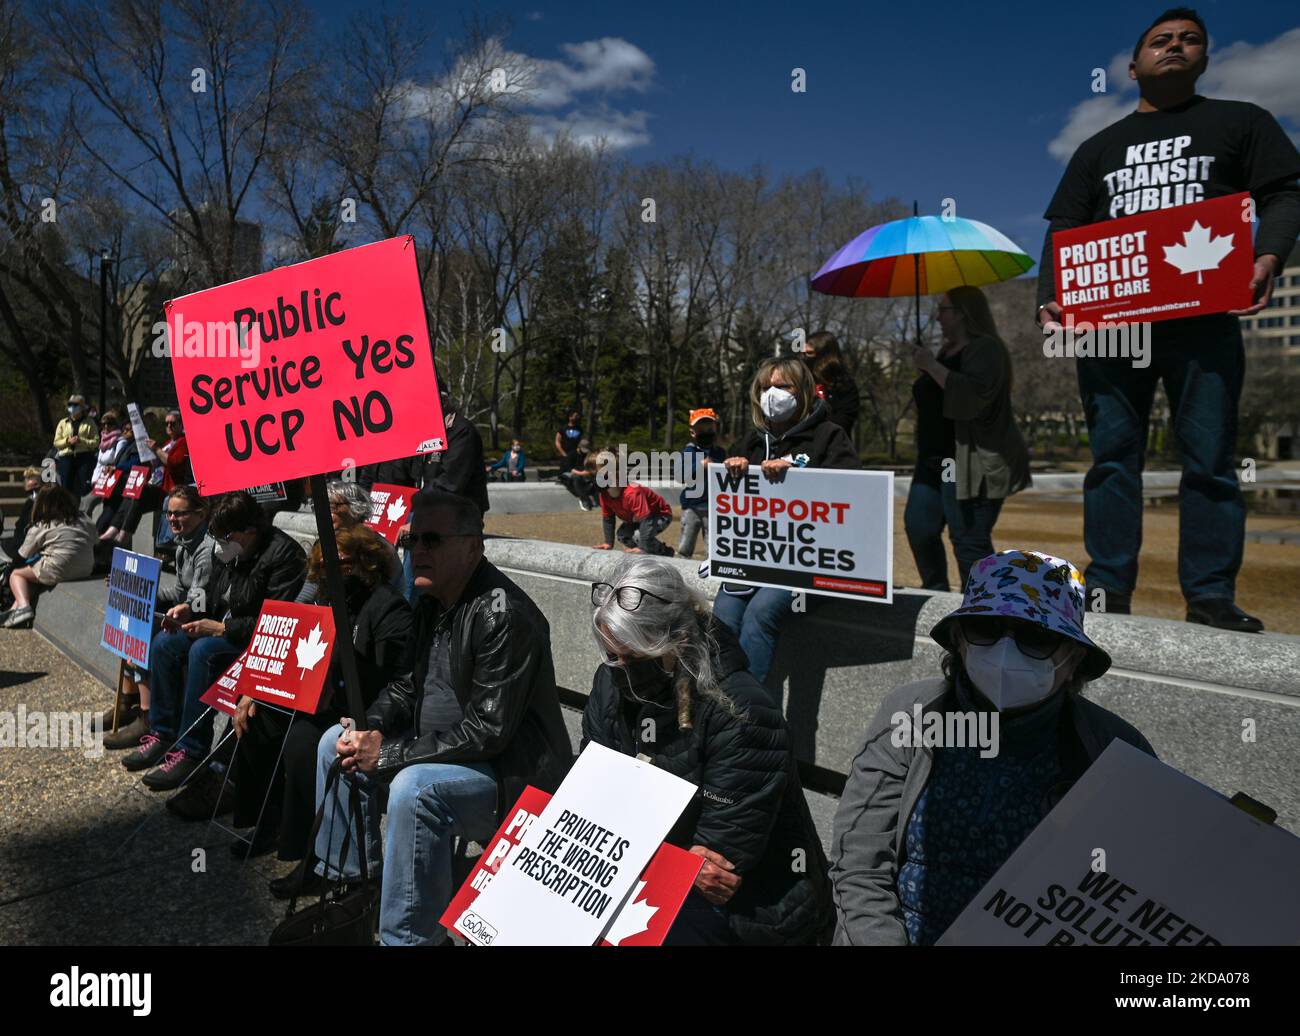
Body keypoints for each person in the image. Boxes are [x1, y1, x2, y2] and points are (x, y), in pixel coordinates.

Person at [1036, 8, 1300, 632]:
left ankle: (1210, 596)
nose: (1175, 46)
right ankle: (1105, 591)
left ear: (1205, 59)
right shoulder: (1097, 147)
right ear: (1133, 68)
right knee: (1111, 459)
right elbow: (1066, 227)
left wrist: (1267, 257)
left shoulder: (1242, 122)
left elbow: (1286, 192)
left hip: (1203, 317)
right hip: (1112, 321)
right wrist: (1053, 297)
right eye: (1161, 41)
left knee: (1209, 458)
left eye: (1189, 40)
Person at [288, 489, 571, 945]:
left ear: (473, 546)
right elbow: (407, 685)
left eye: (433, 540)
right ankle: (358, 889)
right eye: (412, 539)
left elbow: (489, 731)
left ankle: (410, 938)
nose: (418, 550)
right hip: (444, 751)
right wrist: (369, 727)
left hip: (511, 775)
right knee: (331, 745)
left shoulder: (504, 614)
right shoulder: (432, 600)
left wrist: (392, 753)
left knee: (414, 790)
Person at [829, 549, 1155, 945]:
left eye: (1036, 637)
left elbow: (1141, 890)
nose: (1005, 652)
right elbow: (859, 861)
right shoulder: (910, 715)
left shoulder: (1113, 750)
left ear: (1073, 659)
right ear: (959, 642)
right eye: (986, 629)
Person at [582, 556, 832, 944]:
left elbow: (715, 862)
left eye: (635, 656)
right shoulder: (612, 681)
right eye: (612, 654)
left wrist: (622, 843)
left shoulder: (741, 712)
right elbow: (590, 784)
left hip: (755, 902)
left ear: (678, 641)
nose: (620, 668)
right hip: (646, 861)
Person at [230, 525, 413, 859]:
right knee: (257, 717)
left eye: (341, 564)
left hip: (364, 709)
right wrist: (255, 690)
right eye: (324, 565)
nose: (332, 571)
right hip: (322, 696)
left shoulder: (388, 608)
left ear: (365, 563)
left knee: (301, 738)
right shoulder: (328, 599)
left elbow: (397, 682)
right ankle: (267, 819)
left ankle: (306, 848)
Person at [123, 491, 306, 790]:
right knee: (164, 644)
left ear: (249, 531)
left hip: (255, 641)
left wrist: (222, 629)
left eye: (226, 537)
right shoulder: (230, 546)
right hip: (222, 624)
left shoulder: (283, 555)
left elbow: (276, 623)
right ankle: (163, 732)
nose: (220, 545)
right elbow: (214, 593)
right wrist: (190, 609)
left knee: (203, 651)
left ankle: (191, 751)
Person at [714, 356, 860, 686]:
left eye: (782, 386)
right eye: (765, 387)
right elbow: (727, 505)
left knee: (761, 612)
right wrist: (734, 470)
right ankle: (718, 704)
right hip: (754, 561)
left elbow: (853, 495)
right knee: (723, 615)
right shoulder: (750, 442)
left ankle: (752, 715)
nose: (772, 394)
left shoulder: (829, 436)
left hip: (810, 563)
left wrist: (799, 478)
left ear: (804, 391)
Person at [907, 287, 1031, 591]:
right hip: (932, 460)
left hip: (970, 461)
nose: (937, 316)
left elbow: (974, 398)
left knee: (968, 540)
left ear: (962, 313)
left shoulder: (986, 349)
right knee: (919, 528)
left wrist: (931, 367)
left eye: (943, 309)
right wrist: (930, 365)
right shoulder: (944, 351)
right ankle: (936, 594)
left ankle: (983, 611)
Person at [104, 487, 217, 751]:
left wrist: (178, 606)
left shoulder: (205, 551)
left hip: (204, 620)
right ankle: (127, 699)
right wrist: (136, 587)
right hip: (189, 611)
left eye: (180, 514)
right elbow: (178, 590)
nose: (172, 520)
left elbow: (197, 601)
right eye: (169, 513)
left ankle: (147, 716)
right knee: (130, 611)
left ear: (201, 514)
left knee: (147, 630)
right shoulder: (184, 545)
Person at [0, 484, 95, 629]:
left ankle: (24, 607)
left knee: (17, 575)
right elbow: (96, 541)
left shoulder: (42, 525)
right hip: (86, 569)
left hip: (58, 569)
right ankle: (14, 610)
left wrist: (8, 573)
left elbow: (21, 556)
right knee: (31, 578)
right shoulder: (85, 519)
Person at [292, 481, 402, 603]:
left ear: (355, 508)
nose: (323, 513)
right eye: (320, 506)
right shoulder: (323, 544)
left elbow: (389, 595)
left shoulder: (377, 547)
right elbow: (308, 592)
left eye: (332, 506)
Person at [589, 450, 675, 557]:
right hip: (639, 518)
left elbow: (646, 519)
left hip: (659, 514)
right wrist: (608, 543)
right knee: (623, 535)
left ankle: (664, 552)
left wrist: (643, 547)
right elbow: (608, 519)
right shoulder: (604, 495)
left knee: (639, 536)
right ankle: (649, 550)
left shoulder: (632, 492)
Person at [677, 408, 725, 558]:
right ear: (692, 432)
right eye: (701, 428)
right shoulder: (688, 452)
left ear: (716, 428)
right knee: (686, 543)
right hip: (692, 506)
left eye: (709, 428)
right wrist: (700, 465)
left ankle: (712, 566)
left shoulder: (720, 453)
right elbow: (680, 475)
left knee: (712, 545)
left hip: (714, 506)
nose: (706, 431)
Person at [802, 331, 861, 439]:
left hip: (832, 443)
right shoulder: (801, 380)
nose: (805, 358)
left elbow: (845, 419)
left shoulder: (844, 385)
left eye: (810, 353)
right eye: (804, 353)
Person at [54, 394, 99, 497]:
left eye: (75, 404)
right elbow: (56, 442)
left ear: (82, 407)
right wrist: (67, 441)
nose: (72, 407)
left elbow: (96, 442)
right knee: (65, 487)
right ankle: (66, 510)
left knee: (85, 486)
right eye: (70, 404)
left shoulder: (89, 422)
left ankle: (83, 510)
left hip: (84, 458)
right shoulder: (63, 422)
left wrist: (81, 441)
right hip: (66, 458)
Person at [1, 467, 41, 559]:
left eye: (30, 478)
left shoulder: (34, 501)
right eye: (27, 478)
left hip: (25, 546)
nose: (27, 481)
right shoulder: (31, 500)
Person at [558, 437, 598, 511]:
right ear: (580, 447)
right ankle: (584, 498)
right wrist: (581, 473)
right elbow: (569, 469)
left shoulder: (588, 455)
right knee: (577, 478)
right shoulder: (572, 454)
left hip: (584, 473)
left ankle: (595, 495)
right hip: (570, 473)